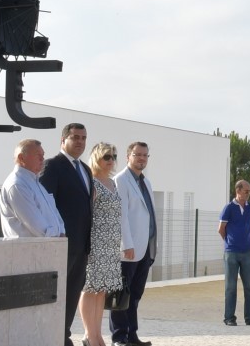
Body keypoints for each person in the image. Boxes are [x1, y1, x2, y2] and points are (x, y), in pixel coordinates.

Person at [38, 122, 94, 346]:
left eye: (83, 137)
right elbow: (44, 203)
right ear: (63, 141)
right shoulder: (53, 166)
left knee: (72, 294)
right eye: (75, 137)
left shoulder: (85, 169)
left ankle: (63, 336)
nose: (80, 141)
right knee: (57, 294)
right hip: (62, 244)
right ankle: (52, 337)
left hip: (81, 246)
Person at [80, 142, 127, 346]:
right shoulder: (91, 182)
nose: (111, 161)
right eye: (106, 156)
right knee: (90, 288)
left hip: (110, 243)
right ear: (96, 157)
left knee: (102, 291)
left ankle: (97, 334)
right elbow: (86, 214)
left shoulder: (112, 182)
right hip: (96, 242)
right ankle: (90, 335)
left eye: (114, 157)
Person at [111, 142, 157, 346]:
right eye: (137, 155)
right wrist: (125, 244)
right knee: (121, 294)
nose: (142, 159)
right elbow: (120, 216)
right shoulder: (120, 181)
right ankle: (119, 337)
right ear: (128, 156)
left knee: (136, 294)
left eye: (145, 155)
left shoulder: (146, 183)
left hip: (145, 247)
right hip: (128, 249)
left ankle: (132, 335)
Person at [0, 138, 64, 239]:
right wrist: (56, 235)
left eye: (43, 155)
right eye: (38, 155)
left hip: (47, 247)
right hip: (27, 251)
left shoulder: (36, 183)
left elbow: (54, 213)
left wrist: (61, 231)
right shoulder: (17, 184)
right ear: (21, 158)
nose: (42, 159)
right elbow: (34, 224)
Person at [216, 179, 250, 326]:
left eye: (249, 191)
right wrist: (230, 242)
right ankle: (229, 318)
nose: (248, 194)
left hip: (247, 251)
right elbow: (221, 229)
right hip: (232, 253)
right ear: (238, 190)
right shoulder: (228, 208)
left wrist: (245, 239)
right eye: (246, 191)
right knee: (230, 287)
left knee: (249, 287)